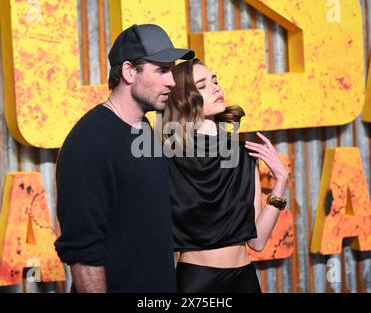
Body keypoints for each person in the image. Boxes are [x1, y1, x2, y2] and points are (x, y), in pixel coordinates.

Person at [54, 24, 194, 293]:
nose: (173, 81)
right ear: (130, 71)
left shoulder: (142, 128)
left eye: (172, 70)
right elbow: (83, 252)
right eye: (162, 70)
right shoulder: (89, 142)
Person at [161, 58, 289, 293]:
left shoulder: (243, 154)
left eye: (215, 80)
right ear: (182, 98)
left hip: (246, 279)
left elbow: (257, 241)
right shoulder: (166, 159)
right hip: (197, 282)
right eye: (202, 85)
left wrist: (280, 183)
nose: (216, 87)